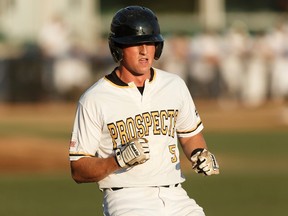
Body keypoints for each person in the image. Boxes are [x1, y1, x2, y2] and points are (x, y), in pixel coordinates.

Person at [69, 6, 219, 216]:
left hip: (176, 196)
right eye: (135, 44)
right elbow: (78, 169)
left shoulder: (174, 85)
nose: (144, 51)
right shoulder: (94, 98)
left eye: (150, 43)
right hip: (127, 199)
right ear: (118, 48)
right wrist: (118, 160)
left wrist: (200, 154)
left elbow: (190, 136)